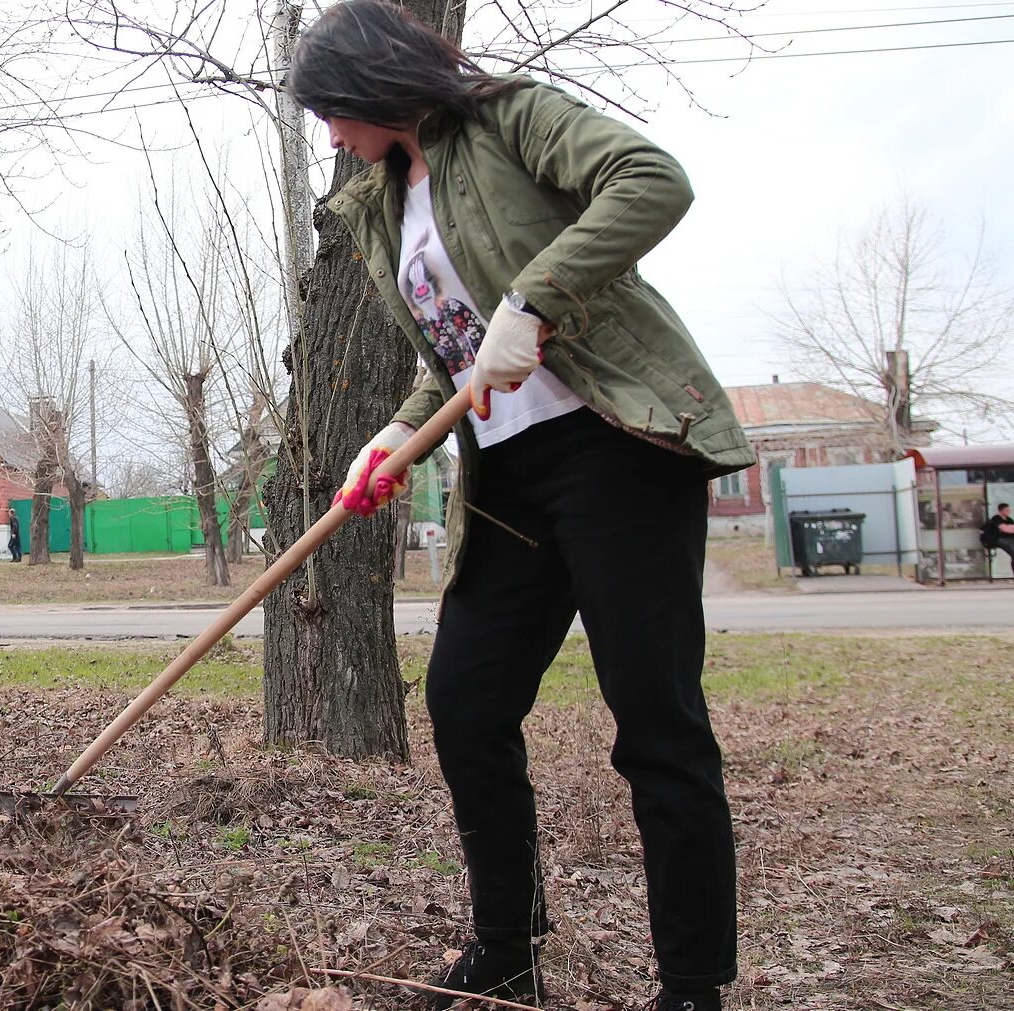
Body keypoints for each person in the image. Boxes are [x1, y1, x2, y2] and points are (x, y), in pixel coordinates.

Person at [288, 6, 756, 1010]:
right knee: (466, 705)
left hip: (615, 446)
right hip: (506, 479)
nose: (331, 137)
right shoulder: (381, 203)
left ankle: (692, 985)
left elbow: (652, 181)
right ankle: (508, 951)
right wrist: (392, 439)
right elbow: (460, 358)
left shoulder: (510, 120)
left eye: (331, 111)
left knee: (655, 722)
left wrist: (537, 300)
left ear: (371, 82)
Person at [981, 502, 1014, 571]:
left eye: (1008, 510)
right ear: (1001, 511)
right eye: (1006, 510)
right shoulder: (996, 518)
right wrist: (1009, 528)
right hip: (997, 539)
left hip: (1008, 538)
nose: (1008, 512)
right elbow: (1005, 529)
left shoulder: (1009, 519)